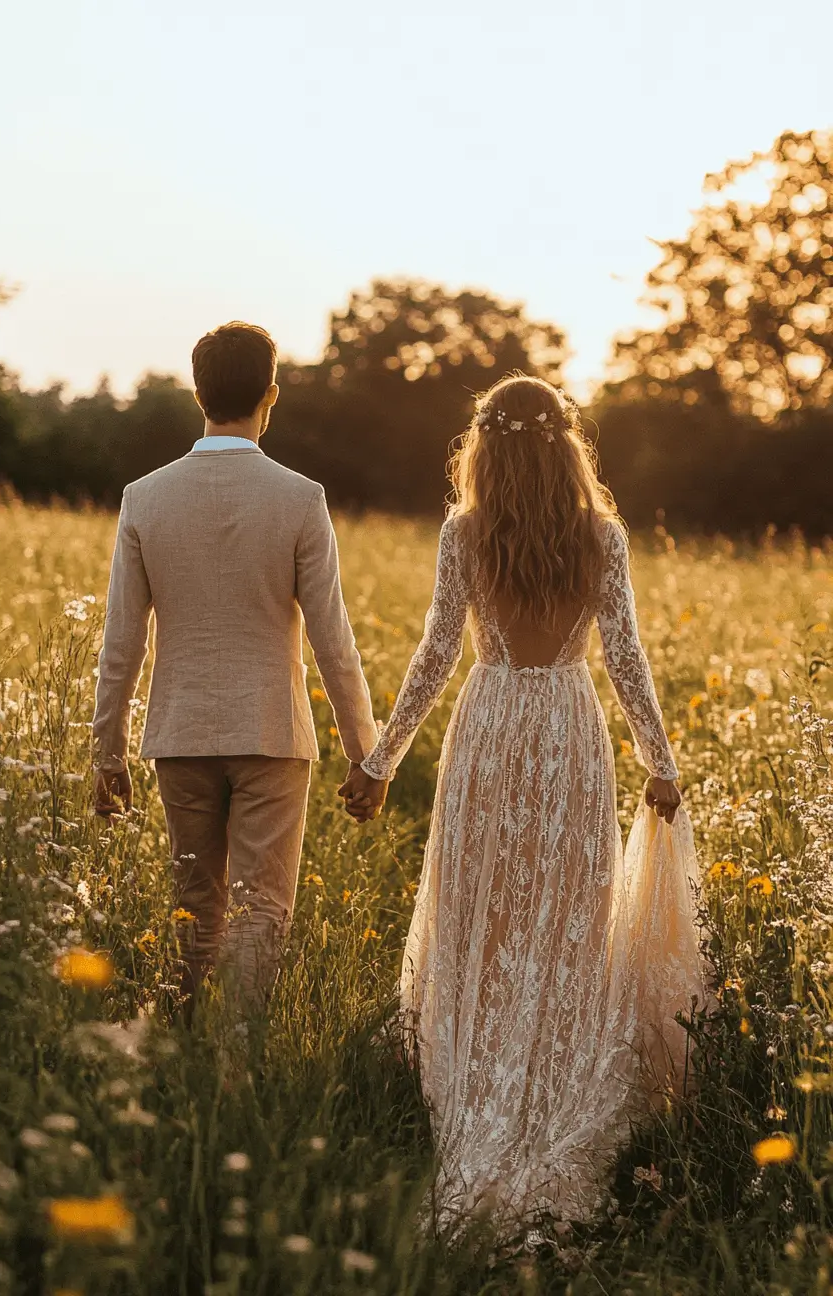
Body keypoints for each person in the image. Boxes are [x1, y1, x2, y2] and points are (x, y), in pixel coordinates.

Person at [341, 375, 703, 1229]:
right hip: (567, 732)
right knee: (570, 912)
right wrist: (662, 760)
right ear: (564, 442)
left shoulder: (465, 533)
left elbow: (436, 654)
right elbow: (624, 657)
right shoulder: (601, 536)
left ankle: (483, 1074)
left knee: (489, 908)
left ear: (485, 447)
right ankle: (551, 1074)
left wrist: (383, 757)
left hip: (493, 722)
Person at [92, 322, 378, 1014]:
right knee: (260, 910)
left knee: (195, 905)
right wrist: (367, 754)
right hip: (271, 736)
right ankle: (235, 1062)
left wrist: (107, 752)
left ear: (198, 395)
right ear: (270, 396)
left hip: (179, 734)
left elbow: (121, 641)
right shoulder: (300, 498)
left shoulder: (145, 497)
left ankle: (186, 1044)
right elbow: (332, 641)